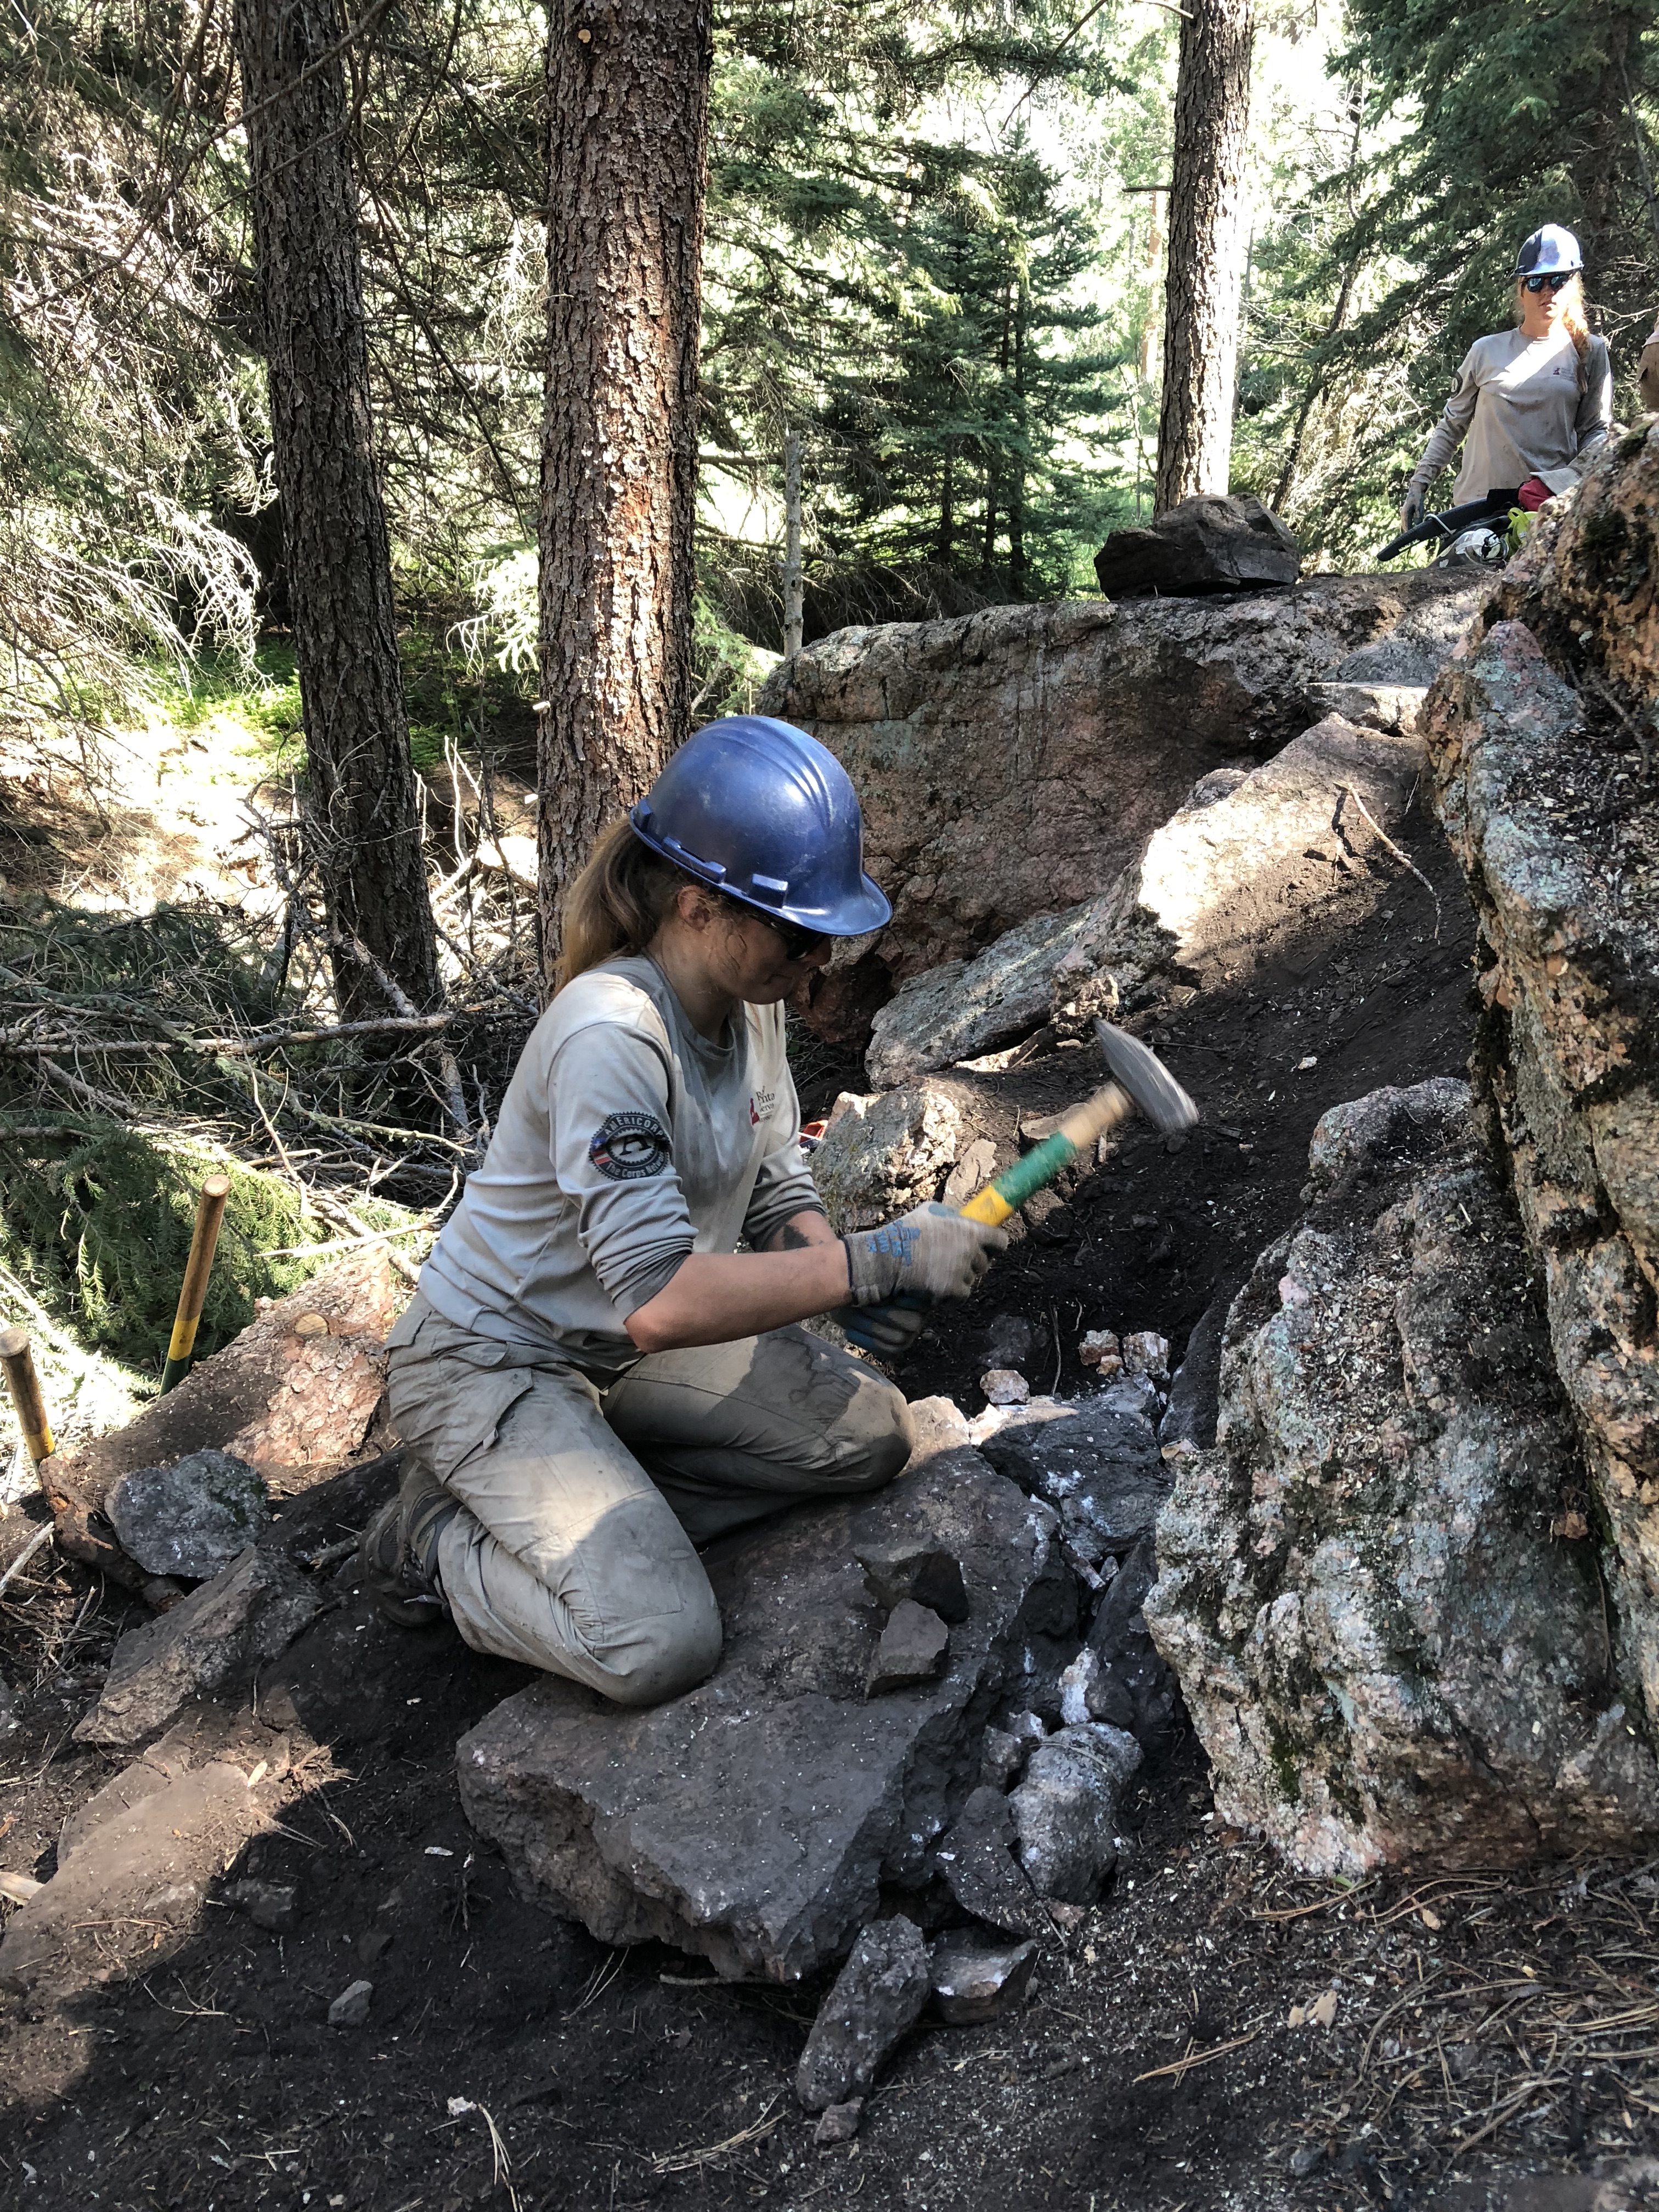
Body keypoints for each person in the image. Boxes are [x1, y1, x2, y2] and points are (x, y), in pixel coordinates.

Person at [360, 715, 1007, 1708]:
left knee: (866, 1434)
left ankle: (588, 1502)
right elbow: (661, 1296)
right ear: (702, 907)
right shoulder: (610, 1033)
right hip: (495, 1354)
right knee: (655, 1638)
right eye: (801, 935)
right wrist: (875, 1261)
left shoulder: (752, 1008)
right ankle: (437, 1541)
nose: (817, 964)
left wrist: (833, 1281)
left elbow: (770, 1183)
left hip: (621, 1349)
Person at [1400, 224, 1613, 534]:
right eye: (1536, 282)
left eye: (1557, 280)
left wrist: (1574, 485)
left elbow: (1596, 430)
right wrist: (1419, 485)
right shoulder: (1486, 351)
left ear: (1572, 285)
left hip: (1545, 512)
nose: (1547, 292)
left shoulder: (1589, 352)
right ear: (1521, 289)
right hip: (1476, 513)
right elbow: (1452, 425)